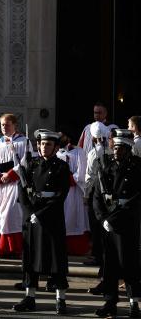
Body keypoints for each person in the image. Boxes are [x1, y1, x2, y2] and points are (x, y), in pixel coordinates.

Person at [13, 129, 71, 315]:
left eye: (48, 144)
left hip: (51, 217)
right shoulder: (31, 164)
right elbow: (22, 191)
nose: (44, 147)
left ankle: (60, 298)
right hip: (32, 216)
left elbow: (60, 196)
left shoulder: (62, 167)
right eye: (41, 144)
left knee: (56, 259)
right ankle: (30, 297)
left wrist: (40, 214)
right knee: (31, 257)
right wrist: (30, 212)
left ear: (55, 147)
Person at [93, 134, 141, 318]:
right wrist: (102, 218)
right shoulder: (107, 168)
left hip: (126, 222)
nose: (116, 151)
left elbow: (136, 198)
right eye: (115, 148)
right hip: (107, 224)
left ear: (128, 150)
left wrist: (113, 218)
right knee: (110, 265)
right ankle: (110, 301)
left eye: (121, 148)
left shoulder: (137, 169)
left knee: (129, 264)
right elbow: (97, 196)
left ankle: (133, 302)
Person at [0, 113, 32, 258]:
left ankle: (15, 248)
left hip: (16, 183)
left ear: (15, 125)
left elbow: (27, 161)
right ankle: (2, 248)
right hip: (0, 184)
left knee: (11, 214)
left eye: (7, 124)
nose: (4, 127)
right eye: (2, 125)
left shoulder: (24, 141)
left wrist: (11, 174)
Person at [83, 121, 112, 287]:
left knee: (98, 234)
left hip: (98, 196)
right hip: (110, 195)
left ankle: (103, 272)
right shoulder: (111, 150)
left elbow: (89, 177)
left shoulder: (94, 153)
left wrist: (86, 195)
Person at [56, 131, 89, 256]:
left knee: (74, 217)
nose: (59, 138)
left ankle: (75, 248)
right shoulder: (57, 152)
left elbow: (82, 172)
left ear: (68, 137)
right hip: (60, 191)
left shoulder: (78, 151)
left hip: (74, 191)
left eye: (61, 135)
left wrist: (69, 179)